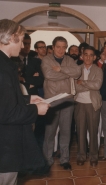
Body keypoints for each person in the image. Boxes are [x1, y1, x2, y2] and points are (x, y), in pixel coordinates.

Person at [0, 19, 49, 185]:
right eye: (21, 41)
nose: (22, 46)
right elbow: (7, 112)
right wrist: (36, 110)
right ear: (10, 38)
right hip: (4, 144)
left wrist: (27, 99)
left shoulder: (5, 63)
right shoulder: (3, 68)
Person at [41, 36, 81, 170]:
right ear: (53, 47)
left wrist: (61, 69)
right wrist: (67, 73)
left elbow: (77, 72)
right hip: (51, 99)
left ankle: (64, 159)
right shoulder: (46, 60)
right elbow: (49, 75)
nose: (61, 50)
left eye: (64, 47)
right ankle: (47, 159)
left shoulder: (69, 59)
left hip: (67, 99)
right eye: (58, 47)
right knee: (50, 131)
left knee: (66, 130)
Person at [74, 46, 103, 167]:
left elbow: (97, 85)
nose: (88, 57)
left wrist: (83, 82)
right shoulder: (76, 69)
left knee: (93, 131)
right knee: (80, 131)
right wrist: (87, 85)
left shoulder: (98, 70)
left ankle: (93, 156)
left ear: (95, 57)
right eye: (86, 54)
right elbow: (75, 87)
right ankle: (81, 155)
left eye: (91, 55)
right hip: (79, 103)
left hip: (93, 104)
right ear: (82, 56)